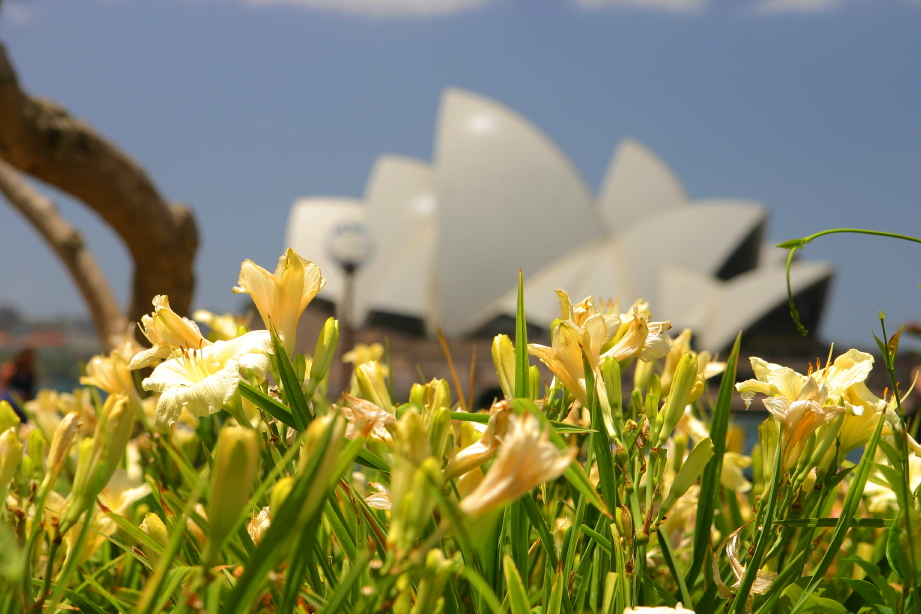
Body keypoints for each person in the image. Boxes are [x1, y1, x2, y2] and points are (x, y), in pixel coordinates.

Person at [0, 348, 35, 422]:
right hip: (11, 400)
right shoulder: (11, 368)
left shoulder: (29, 370)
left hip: (24, 402)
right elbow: (3, 384)